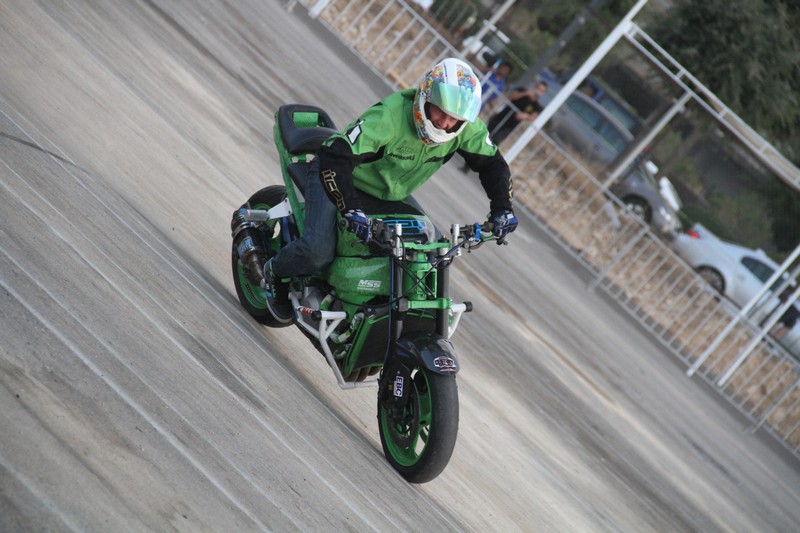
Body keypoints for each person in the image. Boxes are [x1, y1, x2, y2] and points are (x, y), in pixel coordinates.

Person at [261, 58, 518, 322]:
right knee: (317, 251)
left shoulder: (464, 128)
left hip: (389, 194)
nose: (444, 123)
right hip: (339, 176)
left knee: (432, 255)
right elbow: (336, 156)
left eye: (454, 119)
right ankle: (273, 272)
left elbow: (493, 164)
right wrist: (350, 209)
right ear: (425, 97)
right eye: (440, 112)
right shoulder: (390, 116)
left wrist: (503, 209)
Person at [486, 80, 548, 146]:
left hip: (510, 126)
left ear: (543, 93)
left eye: (541, 90)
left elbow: (533, 117)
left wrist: (526, 116)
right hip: (501, 117)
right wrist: (525, 93)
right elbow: (511, 97)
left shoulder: (536, 106)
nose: (537, 91)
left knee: (495, 140)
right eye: (538, 88)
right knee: (487, 132)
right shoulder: (522, 90)